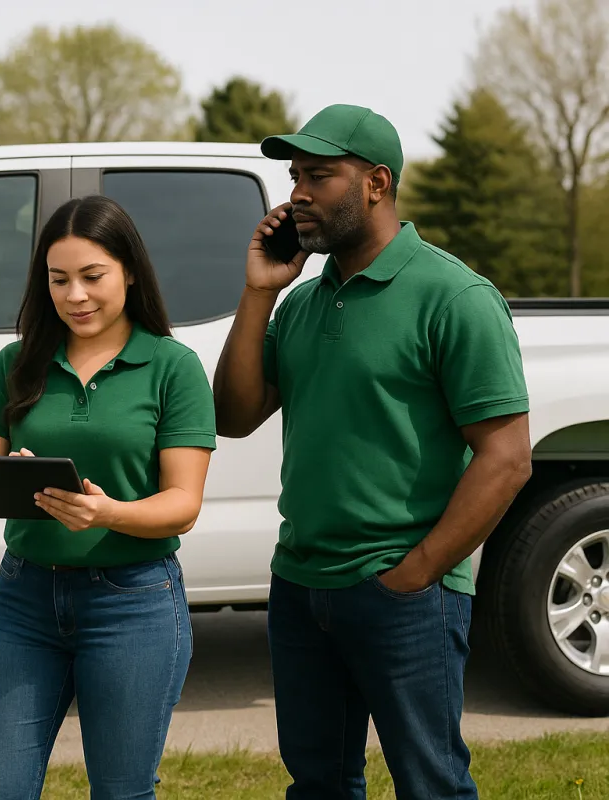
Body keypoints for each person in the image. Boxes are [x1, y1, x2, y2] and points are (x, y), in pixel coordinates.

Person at [213, 104, 533, 799]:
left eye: (319, 176)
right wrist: (259, 292)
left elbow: (506, 458)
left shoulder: (454, 296)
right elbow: (232, 416)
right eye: (295, 175)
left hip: (402, 594)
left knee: (432, 786)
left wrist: (416, 573)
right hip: (301, 586)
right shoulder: (299, 303)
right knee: (319, 785)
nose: (297, 191)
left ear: (376, 184)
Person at [0, 195, 217, 799]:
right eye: (58, 280)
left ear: (129, 270)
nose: (75, 295)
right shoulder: (17, 362)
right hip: (24, 598)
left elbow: (183, 503)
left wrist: (108, 512)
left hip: (134, 601)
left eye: (92, 276)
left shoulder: (172, 367)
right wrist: (10, 472)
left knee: (122, 792)